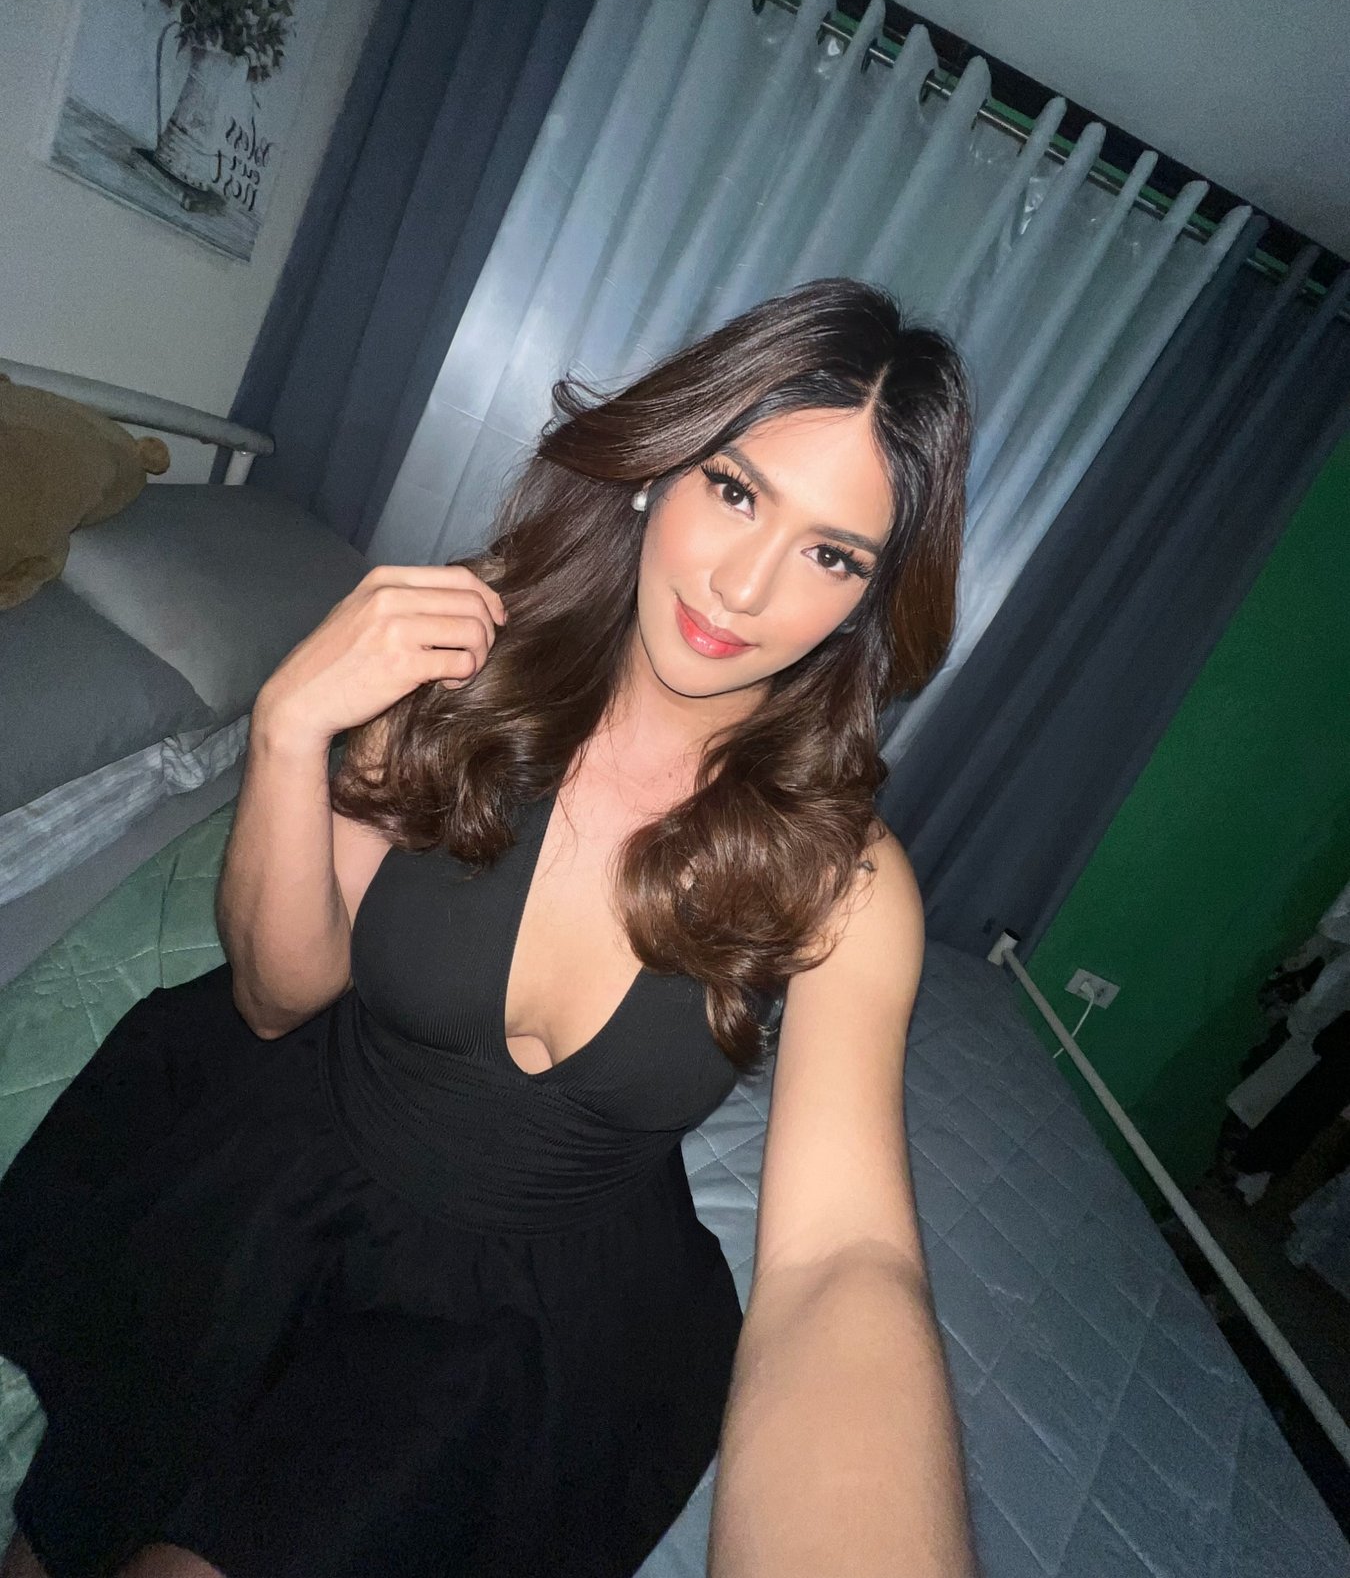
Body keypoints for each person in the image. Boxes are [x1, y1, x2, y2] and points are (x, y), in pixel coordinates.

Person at [0, 277, 979, 1578]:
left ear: (867, 601)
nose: (744, 587)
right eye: (735, 490)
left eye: (831, 555)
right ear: (658, 470)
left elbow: (844, 1258)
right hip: (282, 1170)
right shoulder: (458, 674)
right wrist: (290, 727)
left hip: (512, 1322)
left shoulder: (847, 879)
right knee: (72, 1524)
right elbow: (278, 999)